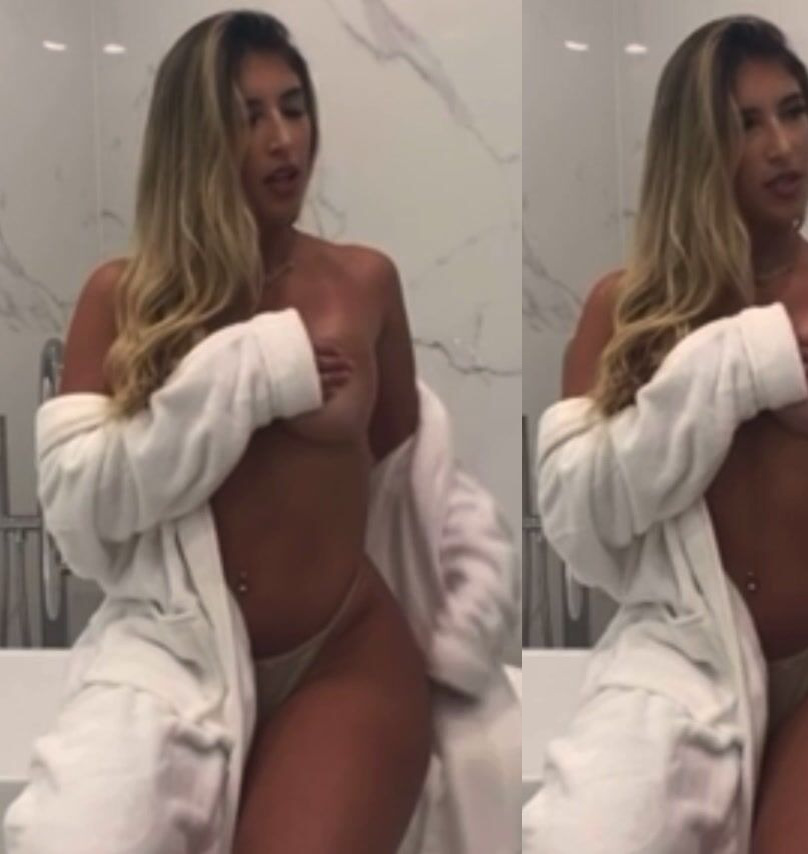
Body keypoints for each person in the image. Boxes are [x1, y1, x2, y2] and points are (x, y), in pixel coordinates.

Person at [5, 11, 520, 853]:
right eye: (249, 118)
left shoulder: (363, 283)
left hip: (342, 653)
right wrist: (245, 377)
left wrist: (466, 623)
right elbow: (81, 516)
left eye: (294, 107)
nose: (284, 140)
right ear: (195, 140)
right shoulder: (122, 300)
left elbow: (417, 489)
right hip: (173, 654)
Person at [533, 15, 808, 852]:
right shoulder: (625, 313)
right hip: (688, 660)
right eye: (747, 125)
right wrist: (717, 373)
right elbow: (579, 515)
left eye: (793, 112)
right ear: (696, 149)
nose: (783, 146)